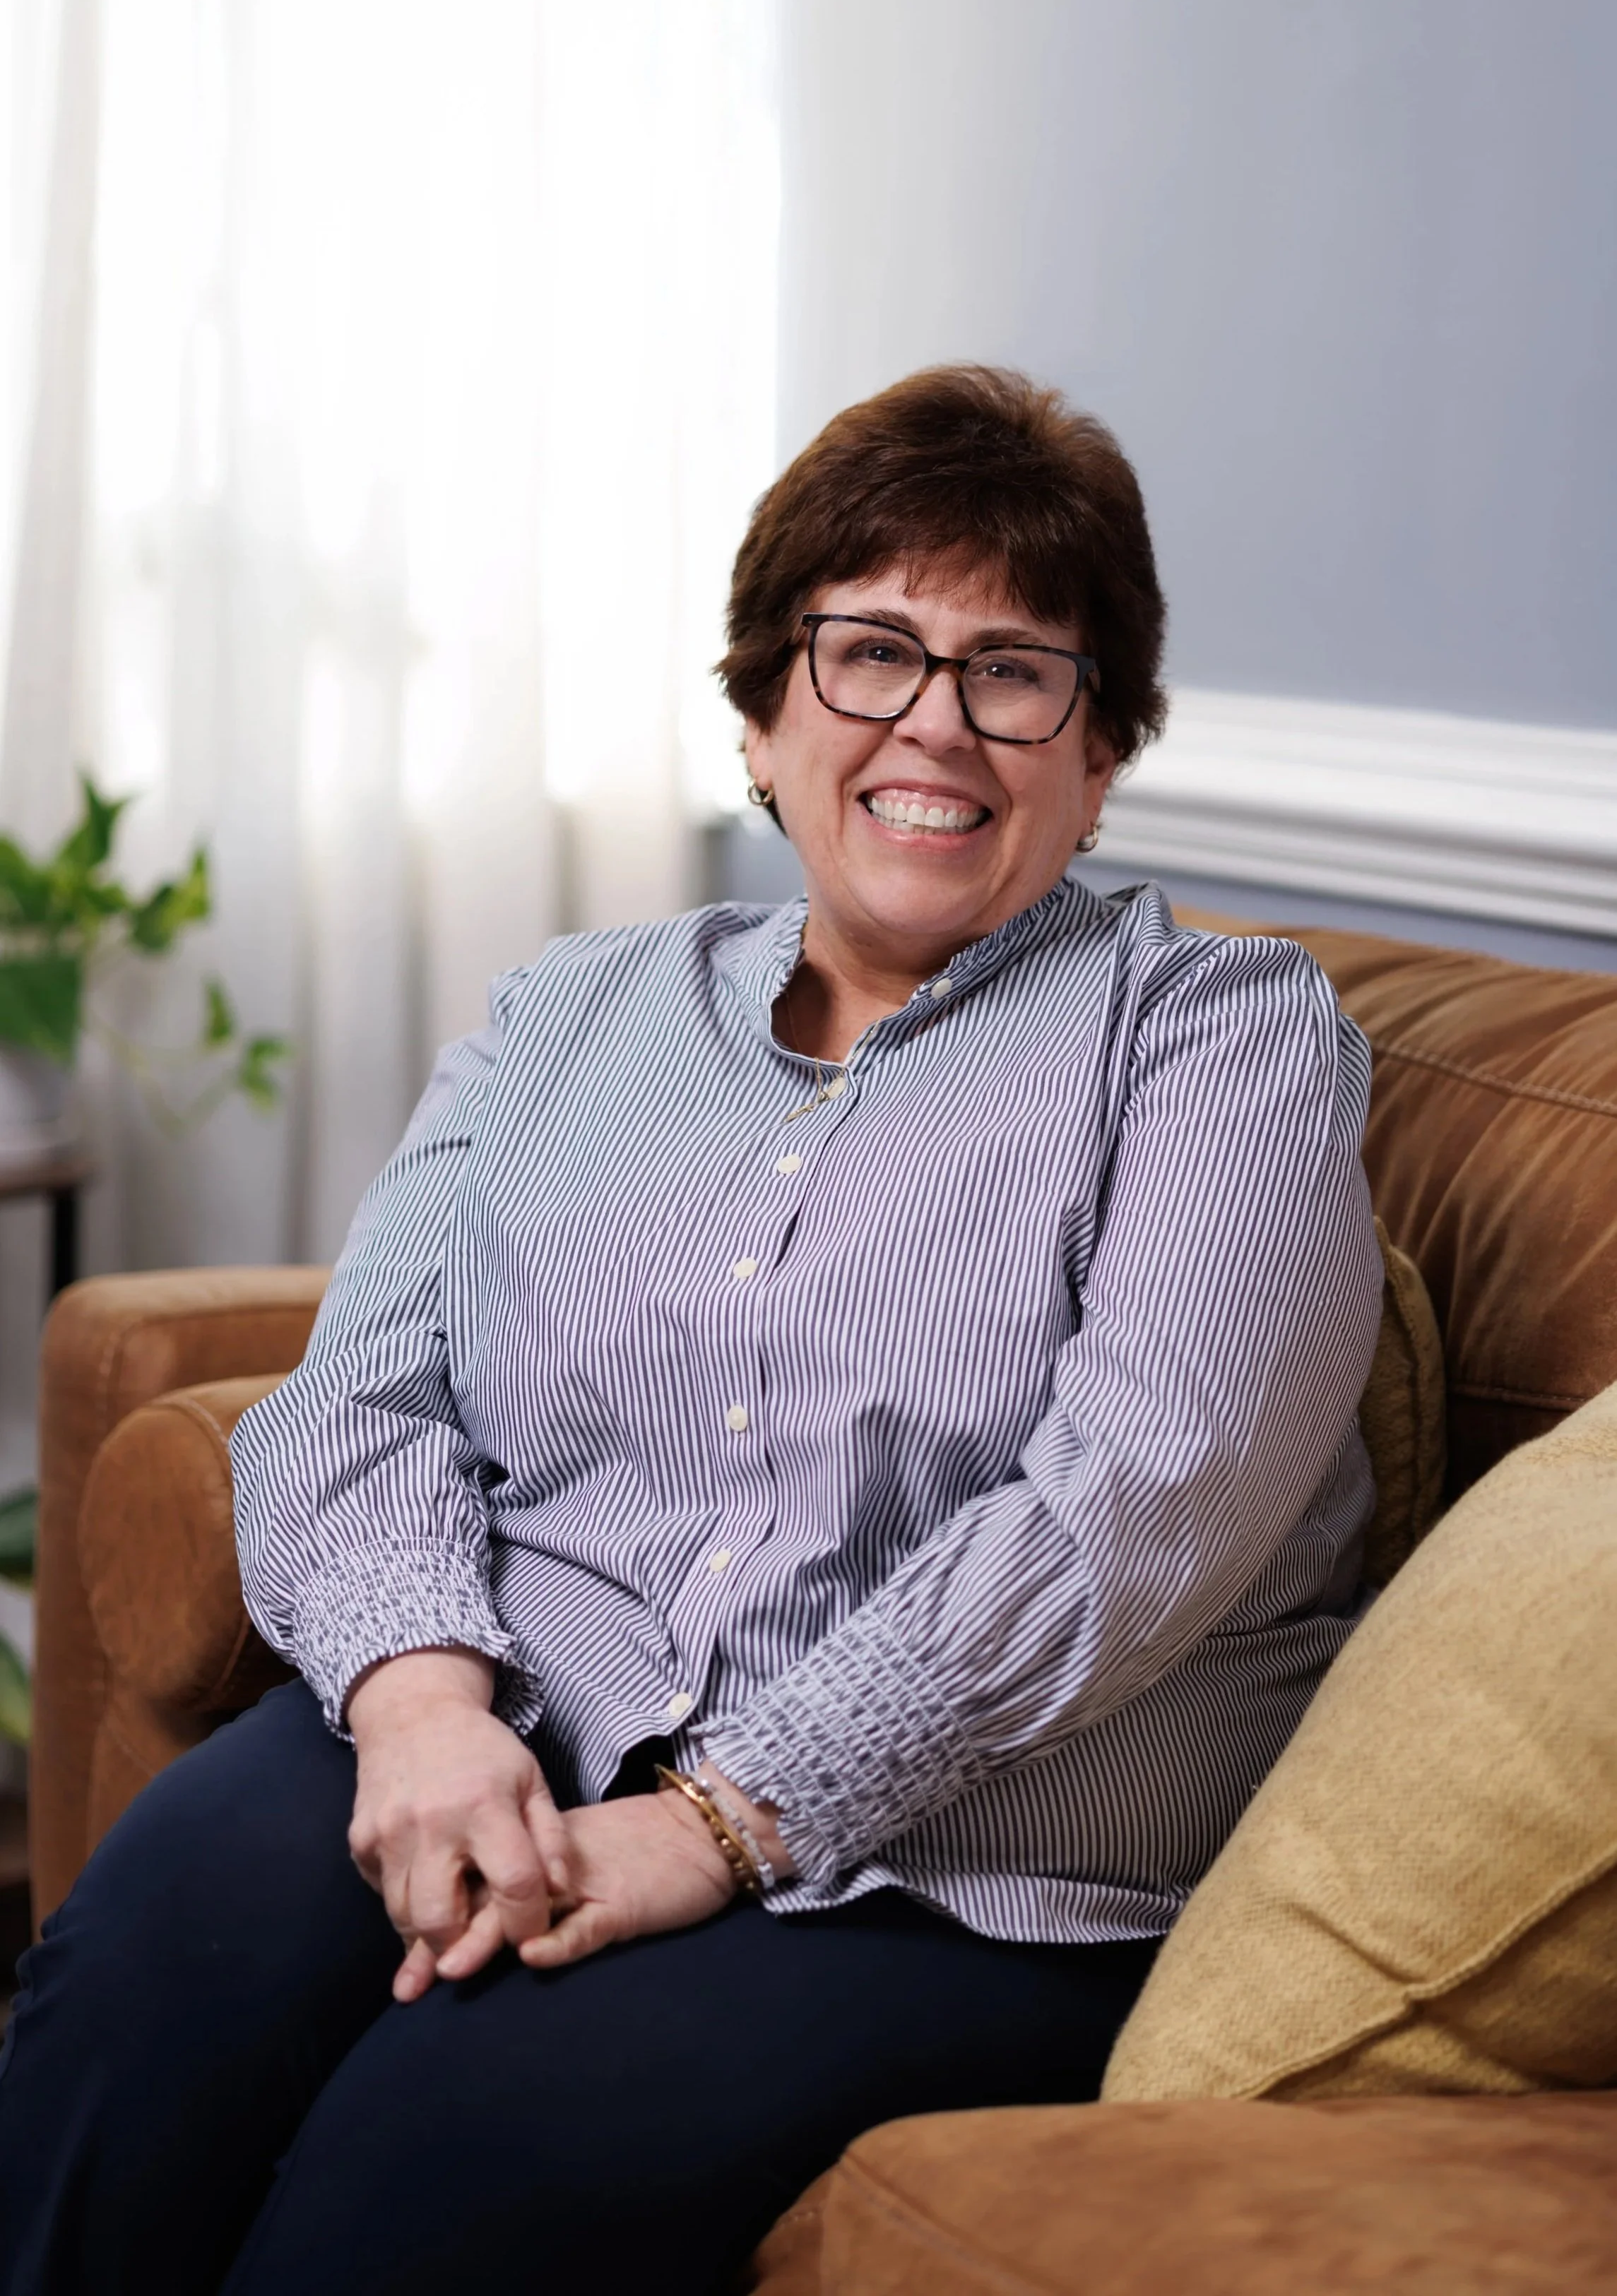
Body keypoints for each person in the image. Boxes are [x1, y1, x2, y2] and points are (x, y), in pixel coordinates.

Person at [0, 365, 1382, 2295]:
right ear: (761, 714)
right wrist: (422, 1711)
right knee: (143, 1983)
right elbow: (366, 1388)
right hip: (512, 1705)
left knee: (455, 2138)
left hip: (963, 1860)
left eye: (1014, 672)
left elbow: (1147, 1504)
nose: (936, 722)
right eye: (870, 652)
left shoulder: (1221, 1041)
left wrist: (729, 1820)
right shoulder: (573, 1013)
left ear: (1100, 755)